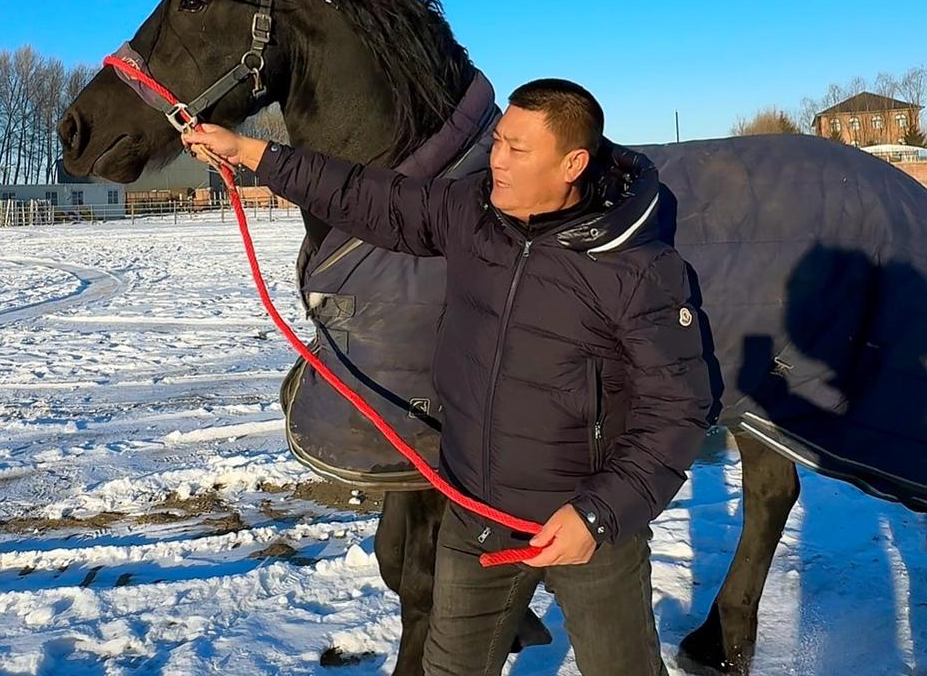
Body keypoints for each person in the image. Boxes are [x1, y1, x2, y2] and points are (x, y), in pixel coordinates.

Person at [182, 79, 712, 676]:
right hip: (474, 515)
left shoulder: (638, 269)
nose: (497, 160)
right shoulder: (472, 212)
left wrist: (598, 515)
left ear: (573, 164)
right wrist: (252, 153)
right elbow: (369, 196)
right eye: (497, 142)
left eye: (517, 149)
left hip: (584, 530)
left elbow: (679, 409)